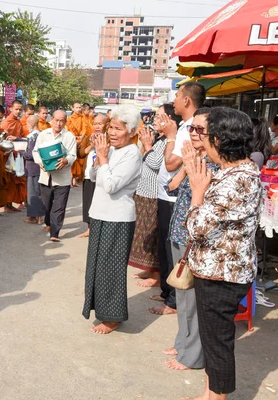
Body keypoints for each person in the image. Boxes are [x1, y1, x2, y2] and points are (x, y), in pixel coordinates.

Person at [185, 107, 262, 400]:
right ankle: (209, 393)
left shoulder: (238, 179)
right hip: (216, 269)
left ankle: (217, 397)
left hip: (223, 274)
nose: (199, 139)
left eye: (204, 134)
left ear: (219, 140)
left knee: (217, 342)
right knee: (212, 338)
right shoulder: (231, 172)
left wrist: (196, 192)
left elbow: (196, 227)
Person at [163, 108, 219, 372]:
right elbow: (171, 187)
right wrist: (185, 168)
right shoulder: (195, 158)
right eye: (192, 129)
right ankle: (183, 343)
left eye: (199, 130)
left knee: (193, 301)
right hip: (179, 232)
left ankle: (192, 355)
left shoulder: (215, 164)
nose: (193, 134)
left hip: (195, 238)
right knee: (182, 294)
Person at [82, 104, 142, 334]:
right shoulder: (113, 150)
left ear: (132, 131)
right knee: (97, 267)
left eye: (118, 129)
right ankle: (101, 310)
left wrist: (104, 158)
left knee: (112, 269)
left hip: (118, 218)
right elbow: (93, 176)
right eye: (111, 128)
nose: (112, 133)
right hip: (100, 214)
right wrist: (100, 158)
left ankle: (113, 317)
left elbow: (111, 185)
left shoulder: (132, 154)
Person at [154, 82, 206, 316]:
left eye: (176, 96)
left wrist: (171, 137)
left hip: (182, 200)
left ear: (186, 100)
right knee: (169, 250)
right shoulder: (186, 126)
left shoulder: (189, 129)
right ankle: (170, 294)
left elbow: (171, 163)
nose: (173, 100)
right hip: (172, 192)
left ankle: (173, 301)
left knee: (179, 256)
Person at [128, 105, 176, 288]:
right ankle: (149, 268)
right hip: (144, 191)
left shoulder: (169, 141)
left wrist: (148, 145)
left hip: (154, 194)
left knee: (152, 234)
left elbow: (156, 163)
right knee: (143, 234)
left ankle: (156, 275)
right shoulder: (159, 138)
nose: (155, 120)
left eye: (160, 117)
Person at [33, 110, 77, 242]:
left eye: (62, 121)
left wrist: (66, 160)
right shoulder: (43, 134)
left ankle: (55, 232)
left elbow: (73, 155)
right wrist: (40, 162)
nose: (58, 123)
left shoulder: (69, 136)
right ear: (51, 120)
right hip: (46, 176)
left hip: (62, 178)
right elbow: (35, 151)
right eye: (56, 120)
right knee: (46, 205)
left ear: (65, 122)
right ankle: (48, 222)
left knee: (59, 206)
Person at [76, 113, 108, 238]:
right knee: (88, 202)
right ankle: (89, 228)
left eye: (100, 123)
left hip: (102, 175)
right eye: (95, 123)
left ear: (106, 124)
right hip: (89, 175)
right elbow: (80, 154)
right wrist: (91, 146)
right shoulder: (89, 137)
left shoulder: (109, 138)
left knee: (101, 203)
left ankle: (101, 229)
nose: (97, 126)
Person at [1, 100, 27, 212]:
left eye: (20, 109)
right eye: (16, 109)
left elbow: (21, 135)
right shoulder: (7, 122)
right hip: (8, 155)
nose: (18, 111)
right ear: (11, 108)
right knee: (8, 180)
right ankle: (6, 205)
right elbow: (2, 138)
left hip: (17, 154)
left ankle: (10, 204)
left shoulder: (18, 122)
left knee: (15, 179)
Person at [22, 115, 46, 224]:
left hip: (32, 168)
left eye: (28, 124)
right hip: (40, 167)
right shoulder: (41, 134)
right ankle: (40, 217)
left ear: (31, 124)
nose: (27, 126)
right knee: (39, 192)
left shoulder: (31, 136)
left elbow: (31, 154)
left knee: (32, 193)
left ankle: (34, 217)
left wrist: (20, 152)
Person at [67, 102, 87, 187]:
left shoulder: (83, 118)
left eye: (80, 107)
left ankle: (75, 179)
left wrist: (82, 136)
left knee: (79, 160)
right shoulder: (69, 119)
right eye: (77, 107)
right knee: (73, 159)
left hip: (81, 140)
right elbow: (68, 129)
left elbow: (85, 128)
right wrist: (75, 138)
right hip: (73, 140)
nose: (79, 109)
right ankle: (71, 179)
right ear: (73, 108)